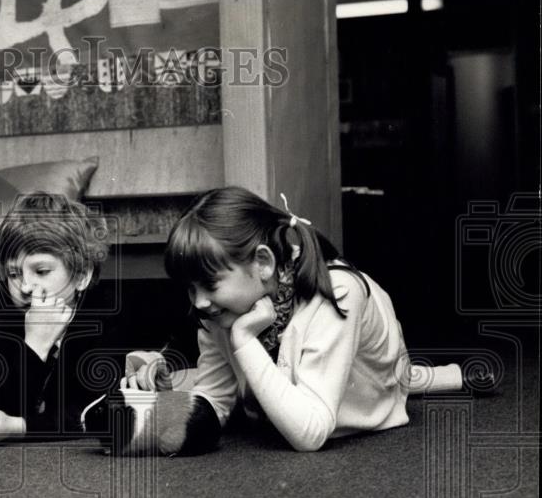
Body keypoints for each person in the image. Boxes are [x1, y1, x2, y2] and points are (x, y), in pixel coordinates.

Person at [126, 186, 461, 452]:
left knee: (400, 377)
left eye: (210, 284)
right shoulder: (219, 310)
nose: (199, 302)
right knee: (197, 383)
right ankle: (443, 376)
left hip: (368, 385)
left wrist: (244, 340)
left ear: (263, 263)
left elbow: (310, 432)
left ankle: (433, 377)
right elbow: (216, 397)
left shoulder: (337, 294)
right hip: (301, 381)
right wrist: (161, 419)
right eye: (189, 288)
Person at [0, 192, 116, 445]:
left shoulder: (102, 322)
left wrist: (20, 427)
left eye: (41, 271)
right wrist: (33, 347)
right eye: (13, 273)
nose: (24, 286)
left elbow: (95, 411)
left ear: (81, 276)